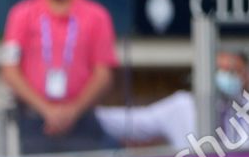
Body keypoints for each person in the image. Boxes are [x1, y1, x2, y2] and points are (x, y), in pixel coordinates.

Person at [0, 0, 120, 155]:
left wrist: (72, 111)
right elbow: (10, 70)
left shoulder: (97, 16)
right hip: (35, 121)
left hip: (82, 121)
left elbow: (103, 73)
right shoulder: (21, 14)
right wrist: (47, 111)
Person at [94, 48, 249, 148]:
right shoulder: (182, 106)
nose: (226, 77)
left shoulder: (245, 110)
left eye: (233, 71)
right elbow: (134, 122)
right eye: (220, 70)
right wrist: (88, 114)